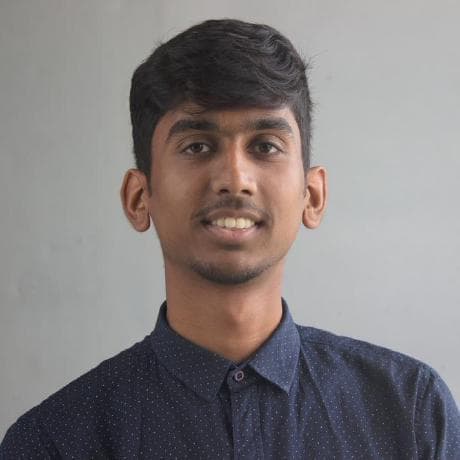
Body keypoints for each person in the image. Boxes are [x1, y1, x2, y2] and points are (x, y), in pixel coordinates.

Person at [1, 18, 459, 459]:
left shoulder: (411, 412)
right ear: (140, 198)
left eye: (265, 146)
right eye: (197, 146)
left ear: (312, 195)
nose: (235, 179)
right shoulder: (54, 442)